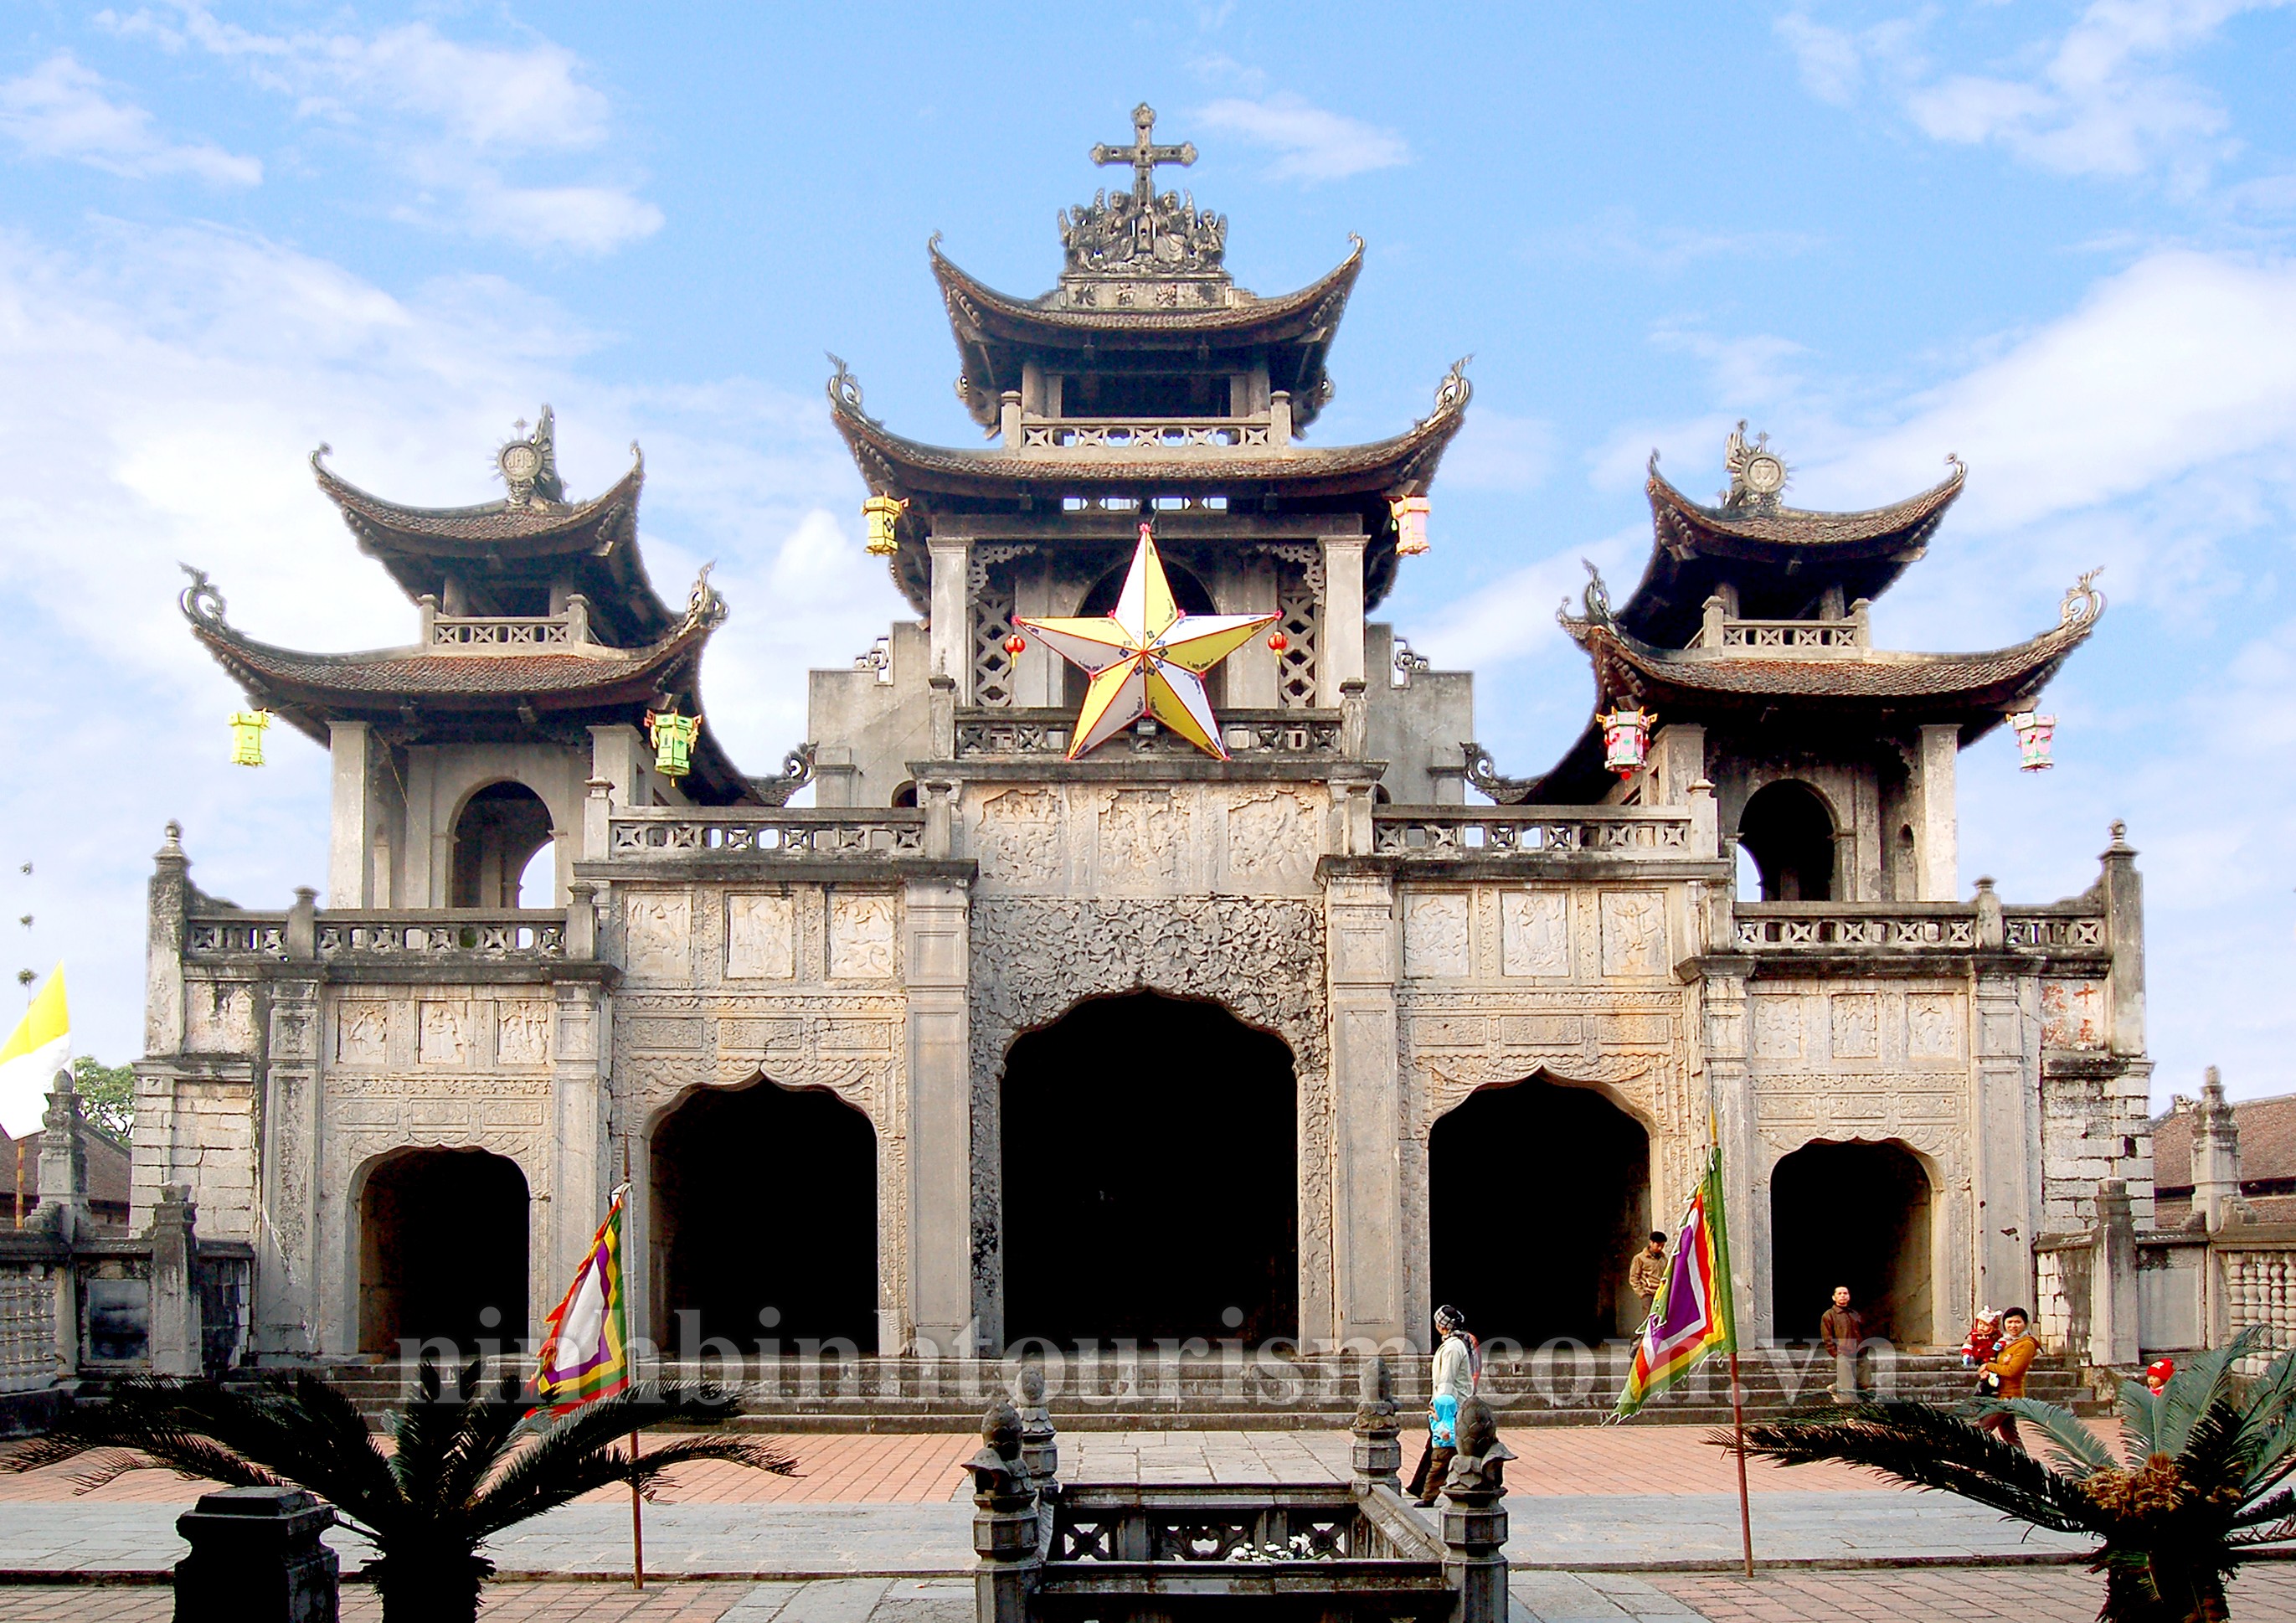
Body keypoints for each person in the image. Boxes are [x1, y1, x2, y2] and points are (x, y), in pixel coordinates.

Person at [1406, 1304, 1481, 1507]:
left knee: (1442, 1451)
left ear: (1442, 1326)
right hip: (1452, 1404)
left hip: (1451, 1406)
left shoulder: (1452, 1348)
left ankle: (1427, 1493)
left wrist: (1440, 1411)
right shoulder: (1453, 1345)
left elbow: (1446, 1382)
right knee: (1436, 1446)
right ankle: (1418, 1487)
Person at [1975, 1308, 2040, 1447]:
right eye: (2009, 1322)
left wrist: (1989, 1366)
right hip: (2000, 1393)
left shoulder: (2026, 1344)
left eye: (2018, 1322)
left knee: (1979, 1431)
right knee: (2010, 1436)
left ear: (2025, 1323)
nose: (2013, 1326)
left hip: (2009, 1396)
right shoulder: (2005, 1342)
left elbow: (2012, 1371)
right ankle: (2026, 1467)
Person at [1819, 1286, 1864, 1401]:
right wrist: (1836, 1354)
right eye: (1839, 1294)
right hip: (1843, 1354)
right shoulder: (1828, 1315)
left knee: (1865, 1383)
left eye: (1845, 1293)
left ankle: (1836, 1387)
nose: (1843, 1296)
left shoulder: (1854, 1314)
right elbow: (1827, 1338)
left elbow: (1863, 1332)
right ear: (1834, 1297)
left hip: (1859, 1353)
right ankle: (1849, 1415)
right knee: (1847, 1388)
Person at [1627, 1231, 1670, 1324]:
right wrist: (1642, 1293)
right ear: (1651, 1243)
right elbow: (1634, 1278)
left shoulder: (1664, 1259)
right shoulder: (1640, 1258)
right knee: (1648, 1319)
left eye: (1662, 1246)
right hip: (1648, 1293)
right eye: (1658, 1245)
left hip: (1661, 1293)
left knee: (1661, 1319)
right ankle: (1645, 1337)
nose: (1660, 1248)